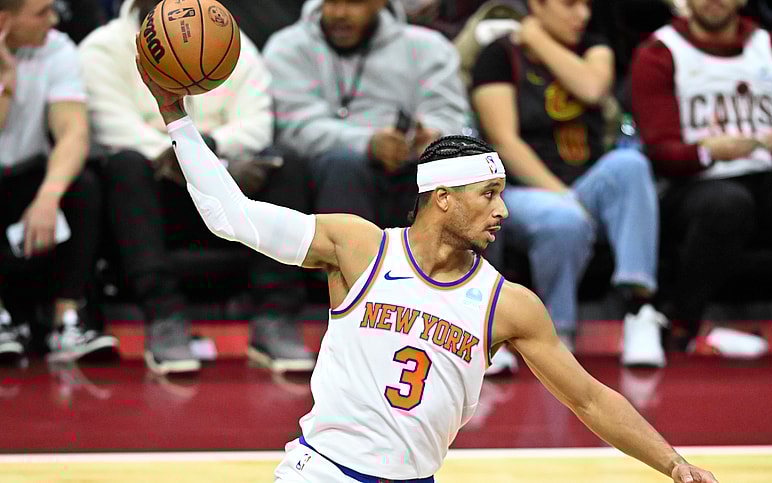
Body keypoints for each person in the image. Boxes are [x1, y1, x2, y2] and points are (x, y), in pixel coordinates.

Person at [136, 47, 719, 483]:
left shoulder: (507, 304)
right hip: (321, 473)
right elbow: (232, 217)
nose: (503, 210)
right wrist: (177, 118)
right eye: (488, 194)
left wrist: (673, 463)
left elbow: (589, 399)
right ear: (443, 197)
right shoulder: (358, 246)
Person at [79, 0, 314, 375]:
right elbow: (111, 127)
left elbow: (257, 123)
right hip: (159, 195)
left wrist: (209, 153)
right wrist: (178, 151)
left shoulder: (225, 37)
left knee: (285, 161)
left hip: (227, 188)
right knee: (125, 165)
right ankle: (164, 316)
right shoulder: (101, 49)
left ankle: (276, 317)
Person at [630, 0, 772, 366]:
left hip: (768, 181)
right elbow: (658, 151)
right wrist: (707, 152)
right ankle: (680, 322)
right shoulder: (658, 53)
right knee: (728, 203)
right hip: (694, 187)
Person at [471, 0, 667, 367]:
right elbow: (504, 142)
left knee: (631, 164)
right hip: (518, 192)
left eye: (587, 4)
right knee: (564, 219)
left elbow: (593, 89)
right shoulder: (498, 57)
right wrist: (560, 195)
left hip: (585, 184)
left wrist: (539, 39)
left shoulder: (594, 46)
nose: (583, 14)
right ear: (536, 5)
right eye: (569, 4)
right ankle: (558, 333)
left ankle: (639, 309)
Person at [263, 0, 469, 231]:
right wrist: (368, 144)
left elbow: (452, 117)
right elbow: (294, 127)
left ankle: (468, 268)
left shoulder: (429, 47)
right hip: (331, 170)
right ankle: (349, 266)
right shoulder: (288, 47)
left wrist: (431, 136)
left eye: (354, 2)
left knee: (465, 168)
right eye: (330, 2)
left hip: (413, 165)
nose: (340, 13)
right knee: (342, 164)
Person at [0, 0, 116, 363]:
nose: (53, 19)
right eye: (40, 13)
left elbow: (73, 132)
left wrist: (49, 196)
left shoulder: (58, 47)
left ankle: (66, 321)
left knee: (81, 183)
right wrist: (5, 82)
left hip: (25, 176)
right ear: (4, 20)